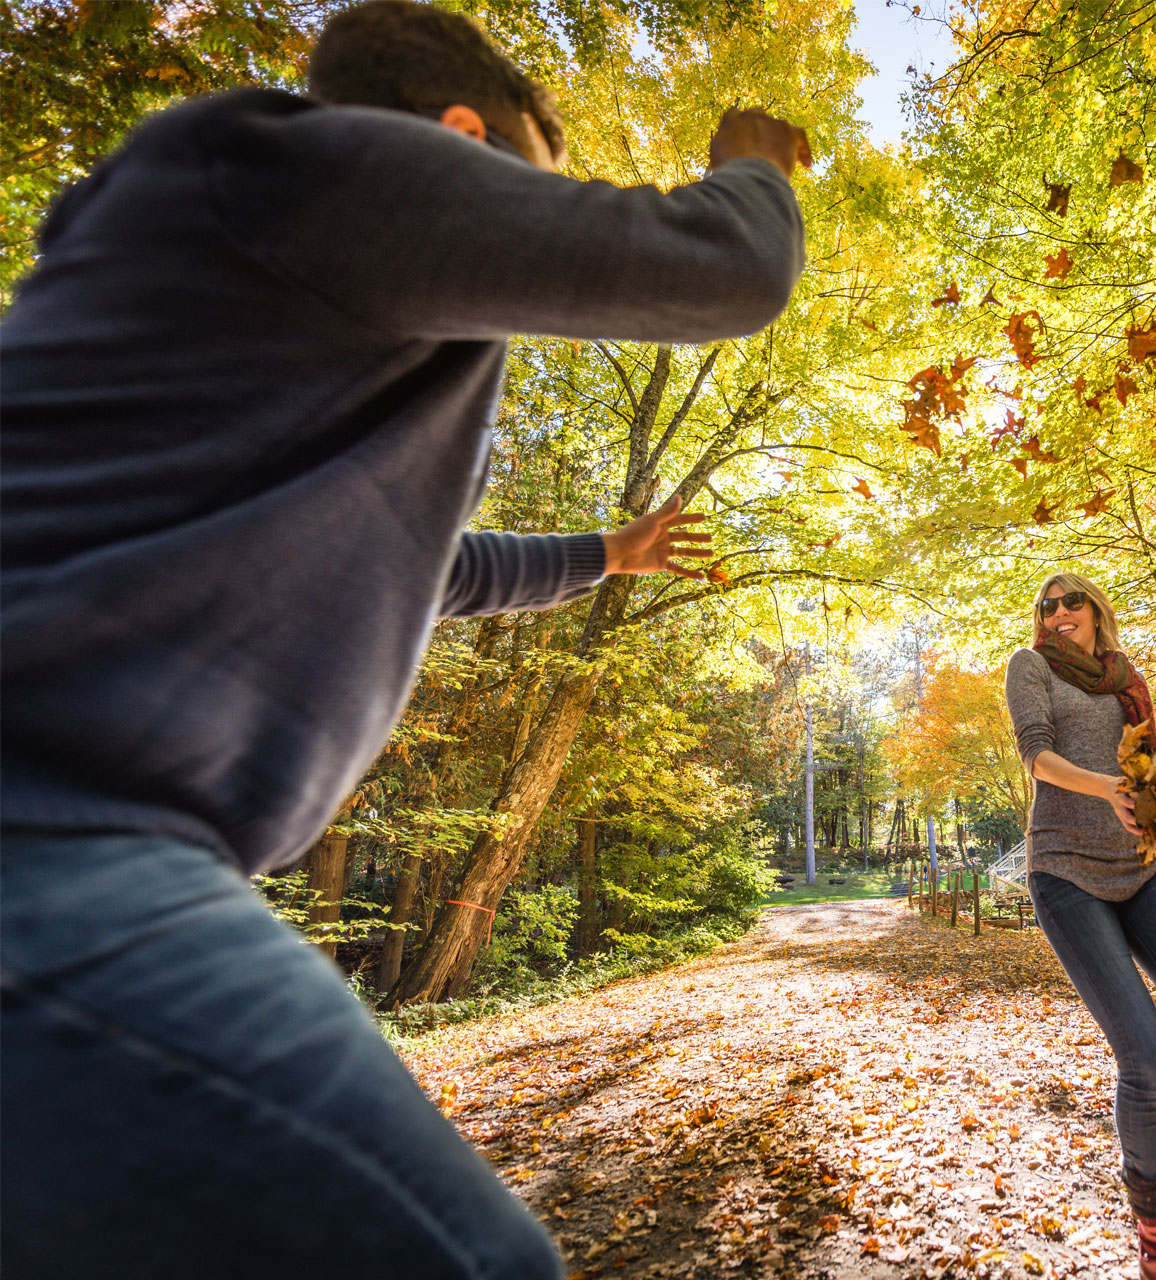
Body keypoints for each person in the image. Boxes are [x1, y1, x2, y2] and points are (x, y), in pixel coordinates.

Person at [0, 2, 808, 1275]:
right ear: (460, 138)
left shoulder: (273, 307)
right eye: (539, 177)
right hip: (52, 844)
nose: (532, 228)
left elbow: (430, 572)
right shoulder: (304, 166)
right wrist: (753, 165)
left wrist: (608, 553)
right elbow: (727, 269)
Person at [1003, 574, 1156, 1280]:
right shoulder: (1030, 668)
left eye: (1070, 602)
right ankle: (1154, 1225)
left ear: (1094, 613)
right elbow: (1036, 757)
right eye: (1045, 606)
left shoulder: (1127, 680)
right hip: (1066, 875)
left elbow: (1148, 757)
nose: (1057, 614)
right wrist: (1106, 787)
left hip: (1143, 870)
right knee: (1142, 1057)